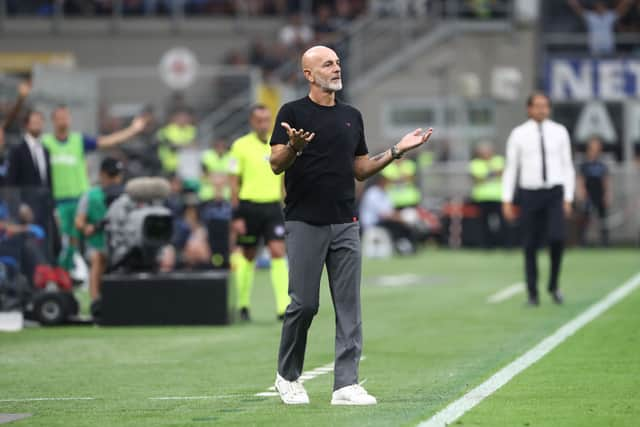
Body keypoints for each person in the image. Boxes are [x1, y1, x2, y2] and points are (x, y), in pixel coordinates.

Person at [269, 45, 432, 405]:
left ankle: (345, 384)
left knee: (348, 307)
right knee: (304, 304)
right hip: (304, 221)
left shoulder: (351, 116)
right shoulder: (292, 112)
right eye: (328, 64)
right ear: (309, 74)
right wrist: (294, 147)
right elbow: (276, 164)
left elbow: (360, 169)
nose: (336, 68)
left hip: (345, 221)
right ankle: (288, 376)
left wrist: (396, 151)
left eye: (338, 62)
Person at [42, 105, 147, 273]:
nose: (63, 120)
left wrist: (132, 130)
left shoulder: (78, 140)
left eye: (66, 116)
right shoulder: (45, 143)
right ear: (53, 120)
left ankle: (84, 274)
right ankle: (62, 275)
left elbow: (106, 141)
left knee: (85, 240)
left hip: (80, 199)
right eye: (59, 117)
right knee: (62, 242)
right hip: (58, 202)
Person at [502, 92, 575, 307]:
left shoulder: (559, 132)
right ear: (529, 108)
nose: (542, 109)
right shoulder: (518, 134)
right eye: (537, 105)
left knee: (557, 238)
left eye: (545, 106)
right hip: (529, 193)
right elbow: (511, 168)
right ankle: (532, 293)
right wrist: (506, 199)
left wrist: (568, 198)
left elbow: (567, 165)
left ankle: (553, 284)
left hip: (554, 192)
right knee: (530, 244)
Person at [229, 104, 289, 321]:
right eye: (259, 120)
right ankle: (243, 304)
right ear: (252, 122)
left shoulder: (278, 144)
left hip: (272, 207)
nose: (263, 124)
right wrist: (236, 215)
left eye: (267, 119)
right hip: (248, 206)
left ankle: (283, 306)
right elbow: (234, 182)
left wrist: (286, 203)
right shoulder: (240, 146)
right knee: (248, 254)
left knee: (277, 251)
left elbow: (283, 176)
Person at [75, 157, 125, 306]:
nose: (115, 179)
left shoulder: (126, 195)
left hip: (120, 244)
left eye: (117, 175)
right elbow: (79, 221)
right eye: (112, 175)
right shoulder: (91, 195)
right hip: (97, 244)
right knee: (99, 257)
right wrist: (86, 228)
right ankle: (96, 301)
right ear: (102, 174)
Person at [469, 141, 505, 248]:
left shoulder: (499, 160)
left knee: (502, 222)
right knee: (483, 223)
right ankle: (486, 245)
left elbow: (502, 172)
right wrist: (493, 172)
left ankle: (503, 244)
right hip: (482, 198)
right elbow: (477, 179)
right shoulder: (475, 163)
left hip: (499, 196)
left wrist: (486, 174)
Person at [567, 0, 634, 56]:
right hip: (595, 46)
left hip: (608, 45)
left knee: (608, 66)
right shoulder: (591, 17)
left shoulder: (609, 16)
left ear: (605, 8)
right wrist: (573, 3)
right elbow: (579, 10)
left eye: (602, 7)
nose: (600, 9)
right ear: (596, 8)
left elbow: (620, 10)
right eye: (598, 7)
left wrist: (627, 2)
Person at [577, 137, 611, 246]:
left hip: (599, 194)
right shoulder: (584, 164)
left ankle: (605, 242)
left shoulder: (602, 165)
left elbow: (605, 180)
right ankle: (583, 242)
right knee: (585, 219)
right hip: (588, 195)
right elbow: (581, 179)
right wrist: (582, 192)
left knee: (603, 218)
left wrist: (606, 194)